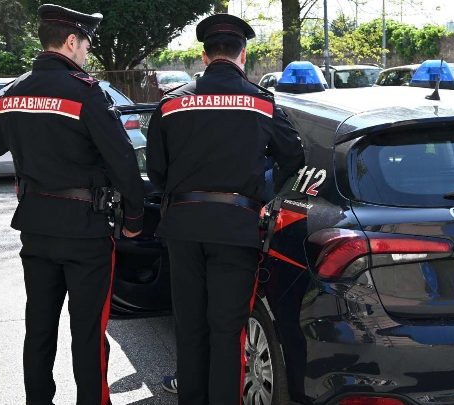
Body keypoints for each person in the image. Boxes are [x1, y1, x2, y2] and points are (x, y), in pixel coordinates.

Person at [0, 4, 144, 405]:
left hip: (35, 228)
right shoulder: (86, 92)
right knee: (87, 332)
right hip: (85, 231)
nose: (86, 52)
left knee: (39, 328)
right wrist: (135, 217)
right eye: (85, 44)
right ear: (70, 41)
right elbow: (122, 160)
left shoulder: (11, 92)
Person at [146, 13, 304, 405]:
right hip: (237, 229)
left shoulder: (170, 104)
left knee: (190, 328)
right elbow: (294, 158)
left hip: (183, 229)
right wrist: (263, 190)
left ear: (204, 56)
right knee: (228, 332)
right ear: (243, 55)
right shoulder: (263, 104)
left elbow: (157, 172)